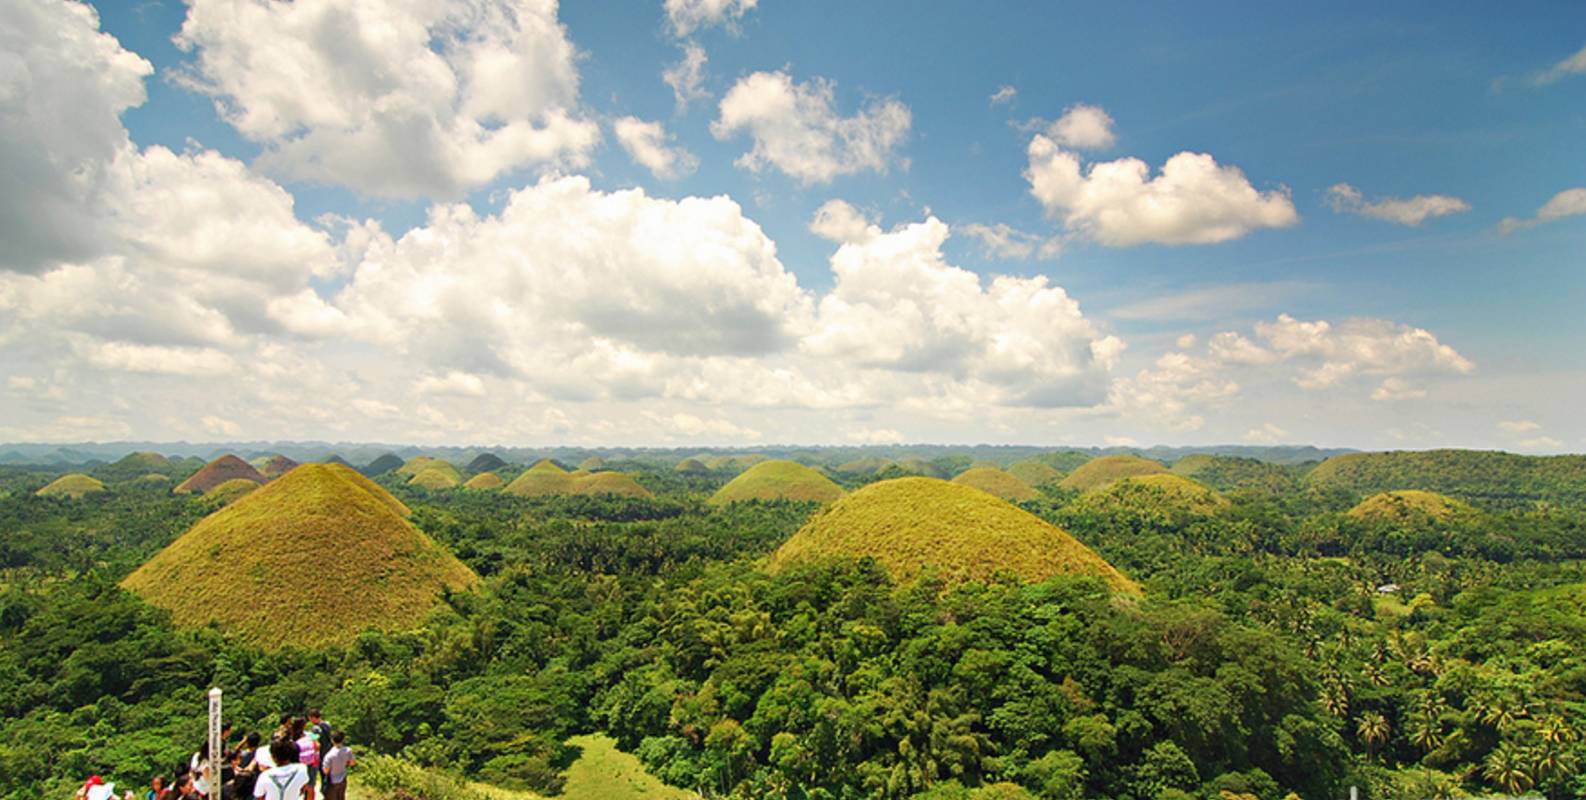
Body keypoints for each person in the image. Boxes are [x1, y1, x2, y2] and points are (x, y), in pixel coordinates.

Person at [318, 733, 353, 800]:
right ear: (343, 740)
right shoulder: (348, 750)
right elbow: (352, 763)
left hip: (332, 781)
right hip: (343, 779)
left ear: (332, 741)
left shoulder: (329, 755)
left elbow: (326, 771)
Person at [304, 710, 331, 796]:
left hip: (320, 754)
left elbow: (314, 740)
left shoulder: (315, 728)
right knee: (327, 776)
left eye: (310, 718)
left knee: (318, 776)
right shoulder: (327, 725)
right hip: (328, 752)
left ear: (313, 717)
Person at [291, 719, 318, 800]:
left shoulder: (292, 736)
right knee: (311, 786)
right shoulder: (311, 734)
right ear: (304, 725)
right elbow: (318, 745)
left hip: (298, 763)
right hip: (312, 763)